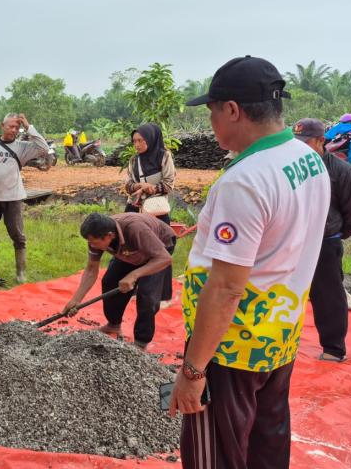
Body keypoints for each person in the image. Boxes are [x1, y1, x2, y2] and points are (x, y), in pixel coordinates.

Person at [172, 56, 330, 469]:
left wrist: (193, 371)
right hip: (279, 335)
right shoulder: (307, 158)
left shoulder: (246, 180)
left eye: (211, 112)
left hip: (231, 348)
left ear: (232, 110)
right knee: (266, 441)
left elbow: (226, 287)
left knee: (217, 454)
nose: (212, 122)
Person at [294, 118, 351, 362]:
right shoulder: (292, 168)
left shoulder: (342, 171)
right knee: (284, 290)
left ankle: (334, 348)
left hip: (325, 241)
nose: (300, 147)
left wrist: (335, 233)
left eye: (306, 142)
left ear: (321, 141)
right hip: (293, 241)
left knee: (328, 295)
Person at [62, 212, 175, 349]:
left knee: (147, 295)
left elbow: (164, 258)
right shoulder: (97, 237)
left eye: (94, 242)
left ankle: (141, 343)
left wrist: (134, 275)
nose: (91, 245)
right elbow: (91, 270)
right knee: (109, 282)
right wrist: (76, 300)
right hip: (130, 250)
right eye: (89, 242)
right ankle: (114, 325)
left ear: (110, 236)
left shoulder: (135, 229)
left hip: (159, 246)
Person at [0, 113, 49, 283]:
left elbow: (43, 148)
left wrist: (28, 126)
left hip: (14, 199)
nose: (14, 130)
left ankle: (20, 272)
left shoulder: (22, 147)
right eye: (11, 126)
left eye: (17, 127)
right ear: (2, 125)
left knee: (18, 236)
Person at [124, 123, 176, 225]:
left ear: (150, 139)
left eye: (140, 140)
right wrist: (139, 185)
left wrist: (148, 188)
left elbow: (169, 184)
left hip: (155, 207)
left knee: (164, 239)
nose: (137, 145)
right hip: (135, 205)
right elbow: (127, 185)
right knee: (126, 236)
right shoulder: (134, 160)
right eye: (134, 141)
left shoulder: (164, 156)